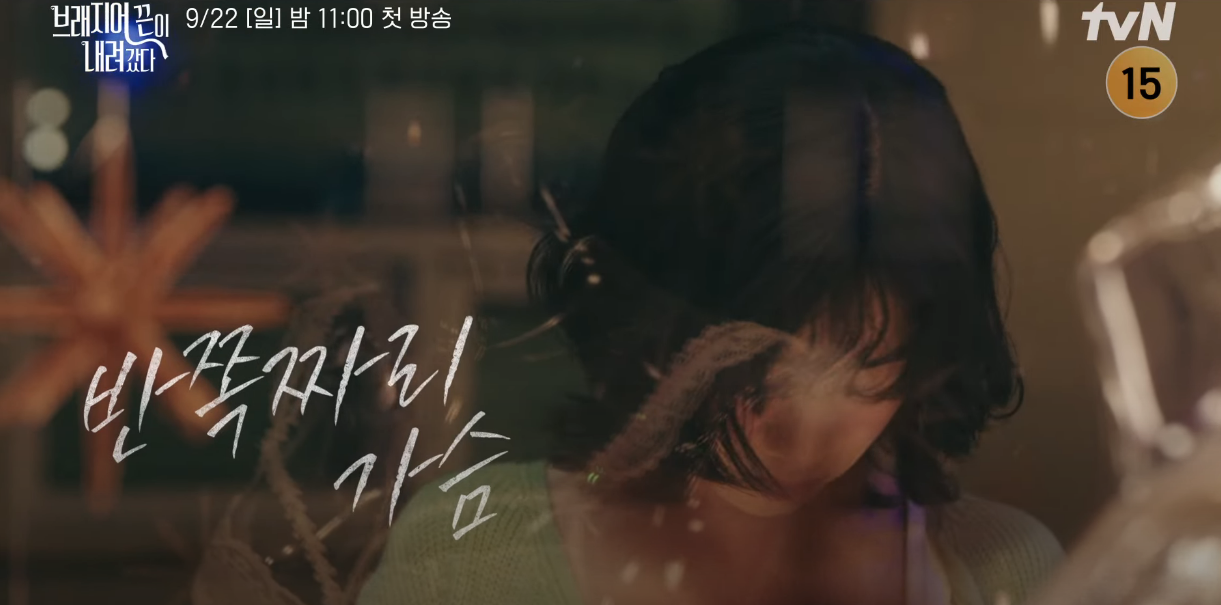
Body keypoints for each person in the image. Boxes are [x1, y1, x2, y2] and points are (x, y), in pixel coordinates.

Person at [358, 25, 1063, 605]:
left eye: (860, 376)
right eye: (753, 368)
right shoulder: (473, 555)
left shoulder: (1002, 568)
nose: (795, 431)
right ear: (651, 324)